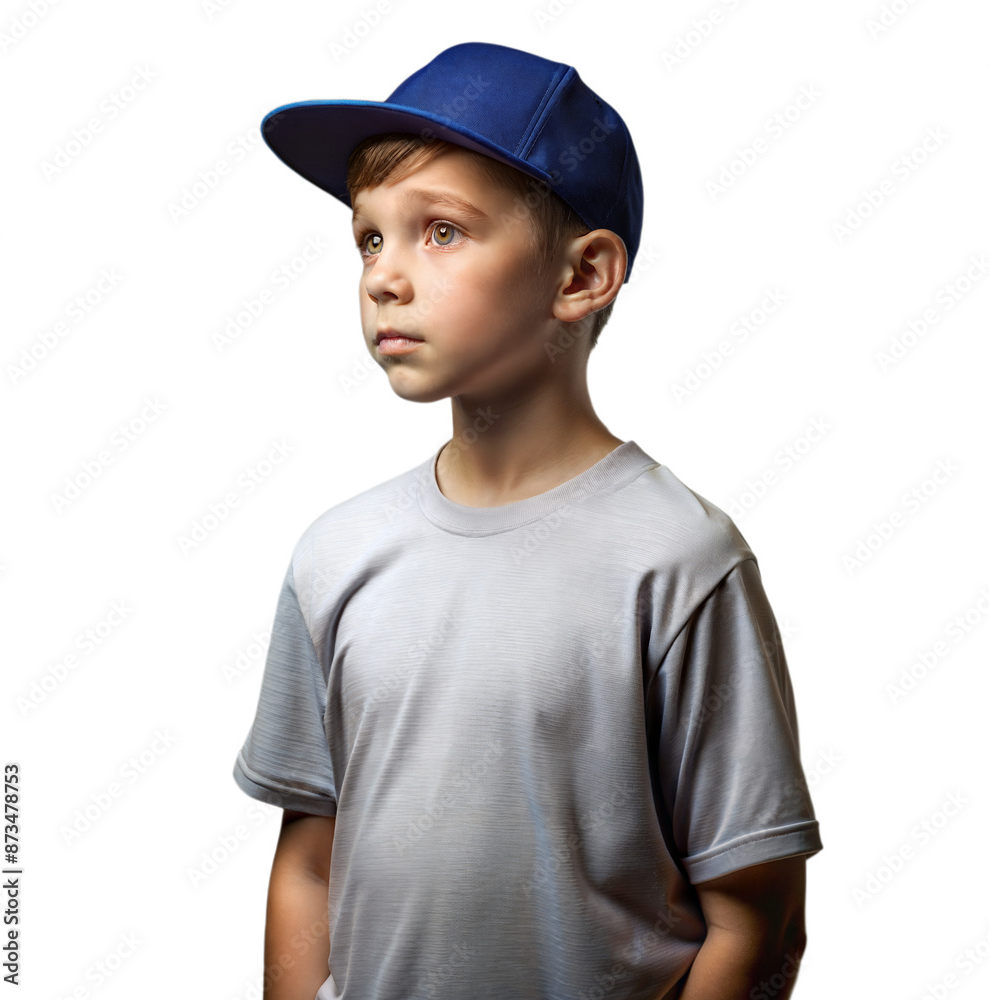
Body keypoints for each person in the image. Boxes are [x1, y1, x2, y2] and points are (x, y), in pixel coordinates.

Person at [232, 40, 823, 1000]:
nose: (382, 276)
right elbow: (309, 859)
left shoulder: (678, 562)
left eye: (442, 232)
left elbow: (757, 915)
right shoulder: (337, 556)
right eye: (369, 237)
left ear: (582, 275)